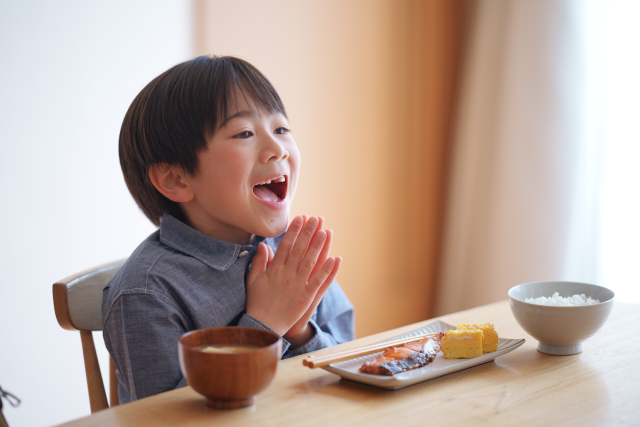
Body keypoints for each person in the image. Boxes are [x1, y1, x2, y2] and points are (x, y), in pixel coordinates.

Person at [102, 55, 355, 403]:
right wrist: (265, 324)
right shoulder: (147, 291)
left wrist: (299, 330)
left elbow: (350, 363)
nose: (277, 148)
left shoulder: (290, 252)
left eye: (281, 129)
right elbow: (166, 418)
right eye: (245, 133)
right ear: (176, 178)